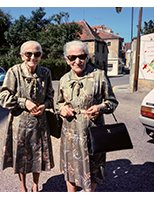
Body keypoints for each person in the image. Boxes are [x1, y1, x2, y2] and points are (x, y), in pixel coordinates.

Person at [56, 40, 118, 192]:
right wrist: (62, 108)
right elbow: (58, 103)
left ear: (87, 57)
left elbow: (112, 102)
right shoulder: (64, 79)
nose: (78, 61)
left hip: (92, 131)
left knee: (93, 167)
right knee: (70, 169)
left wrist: (100, 107)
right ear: (66, 59)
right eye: (72, 57)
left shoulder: (99, 76)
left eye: (82, 56)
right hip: (70, 133)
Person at [0, 41, 54, 192]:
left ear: (41, 56)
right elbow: (3, 97)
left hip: (40, 123)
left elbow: (50, 97)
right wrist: (24, 103)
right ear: (22, 56)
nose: (33, 57)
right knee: (21, 157)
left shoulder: (46, 73)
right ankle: (23, 187)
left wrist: (45, 105)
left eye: (37, 54)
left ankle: (35, 185)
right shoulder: (14, 72)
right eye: (28, 54)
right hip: (20, 124)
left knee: (38, 155)